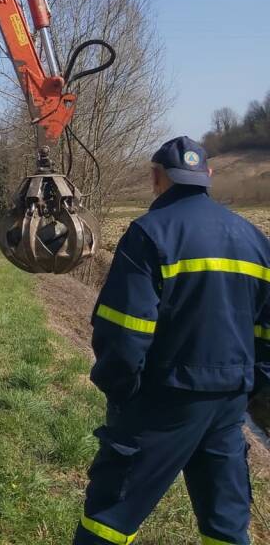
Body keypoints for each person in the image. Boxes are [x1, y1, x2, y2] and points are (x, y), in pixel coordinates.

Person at [74, 137, 270, 545]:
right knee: (226, 523)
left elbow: (123, 330)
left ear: (156, 177)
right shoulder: (254, 240)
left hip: (164, 399)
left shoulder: (149, 233)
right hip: (229, 402)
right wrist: (253, 385)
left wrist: (123, 392)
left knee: (111, 515)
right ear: (208, 178)